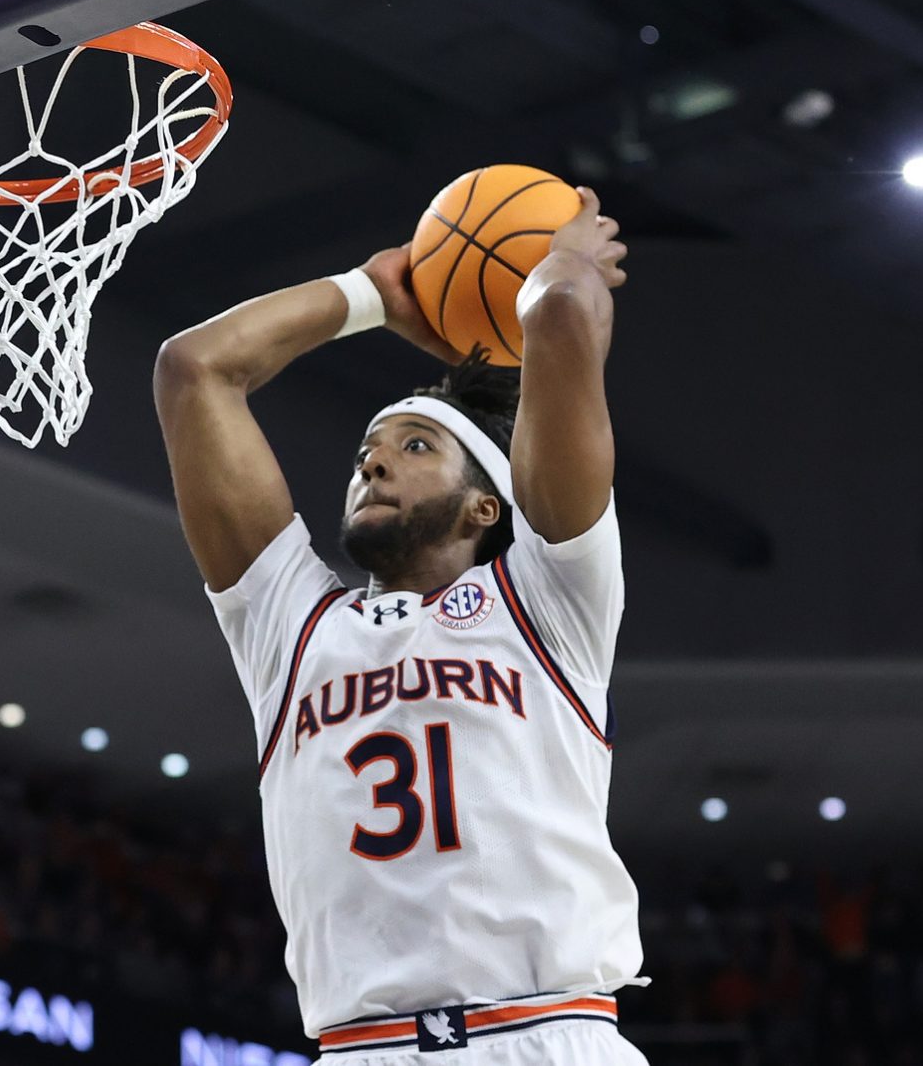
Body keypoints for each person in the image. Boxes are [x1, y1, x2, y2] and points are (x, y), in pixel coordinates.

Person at [154, 189, 647, 1062]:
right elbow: (195, 369)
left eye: (417, 446)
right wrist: (372, 293)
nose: (374, 459)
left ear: (484, 503)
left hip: (543, 1038)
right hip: (359, 1048)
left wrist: (565, 259)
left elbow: (562, 312)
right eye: (366, 453)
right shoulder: (292, 630)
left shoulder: (549, 600)